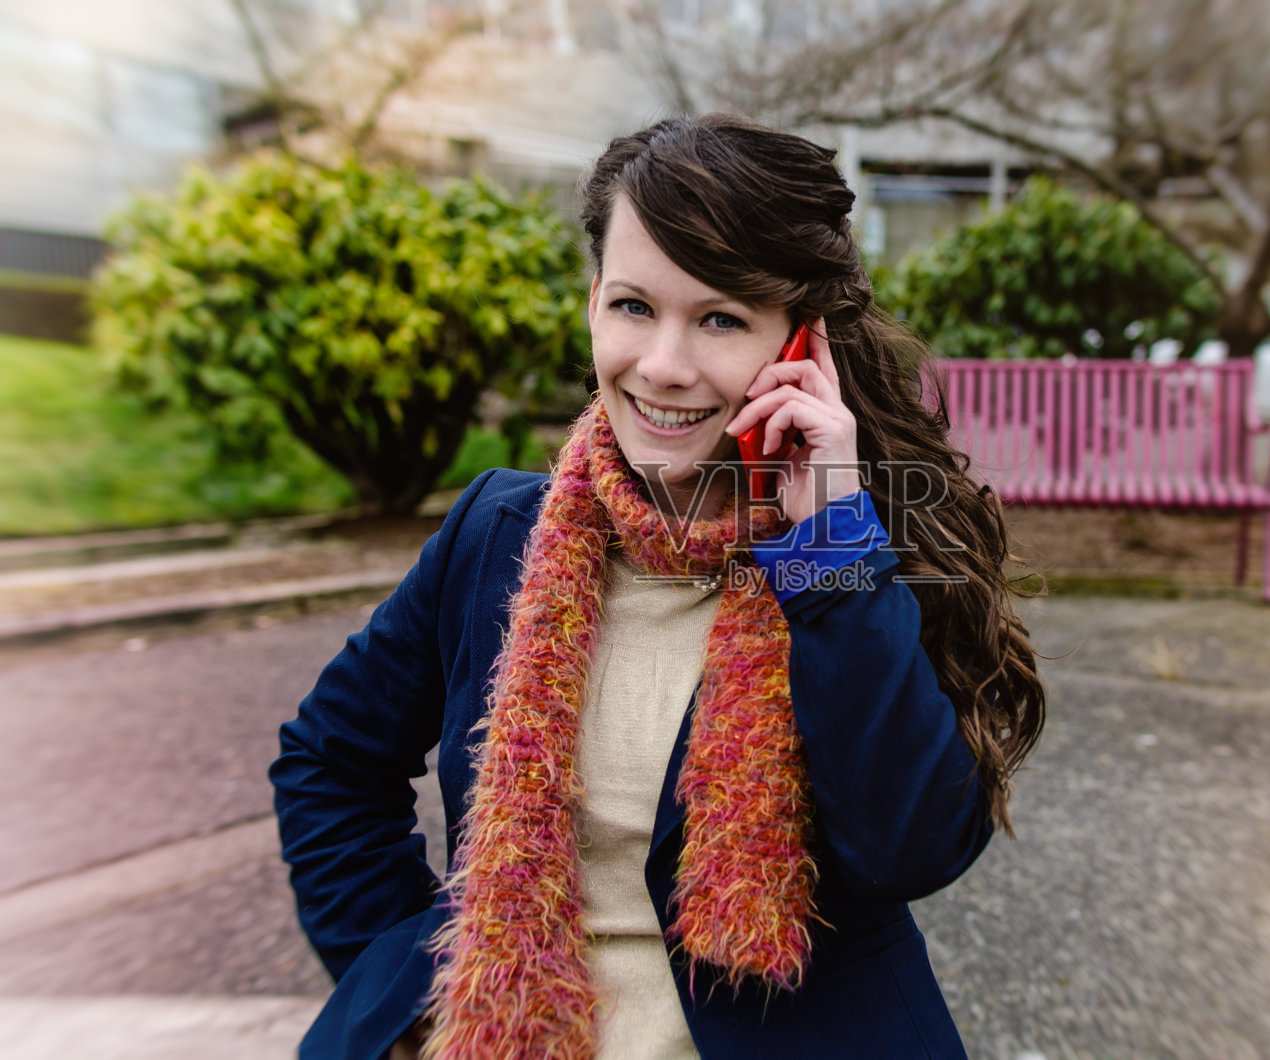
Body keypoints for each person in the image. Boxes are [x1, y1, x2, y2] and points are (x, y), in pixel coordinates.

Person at [271, 113, 1046, 1060]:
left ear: (801, 347)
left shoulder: (858, 542)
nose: (665, 366)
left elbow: (909, 849)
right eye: (635, 305)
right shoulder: (494, 532)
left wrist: (827, 548)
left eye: (721, 318)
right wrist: (406, 985)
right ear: (594, 299)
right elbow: (329, 761)